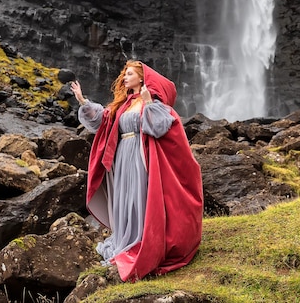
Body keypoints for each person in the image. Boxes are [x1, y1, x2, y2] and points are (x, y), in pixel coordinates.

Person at [71, 60, 203, 281]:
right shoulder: (124, 104)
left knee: (138, 197)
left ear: (142, 78)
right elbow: (104, 121)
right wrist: (83, 101)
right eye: (124, 74)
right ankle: (126, 238)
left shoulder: (149, 101)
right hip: (122, 155)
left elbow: (159, 127)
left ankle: (143, 239)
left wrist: (149, 102)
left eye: (129, 74)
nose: (124, 77)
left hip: (140, 156)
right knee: (124, 197)